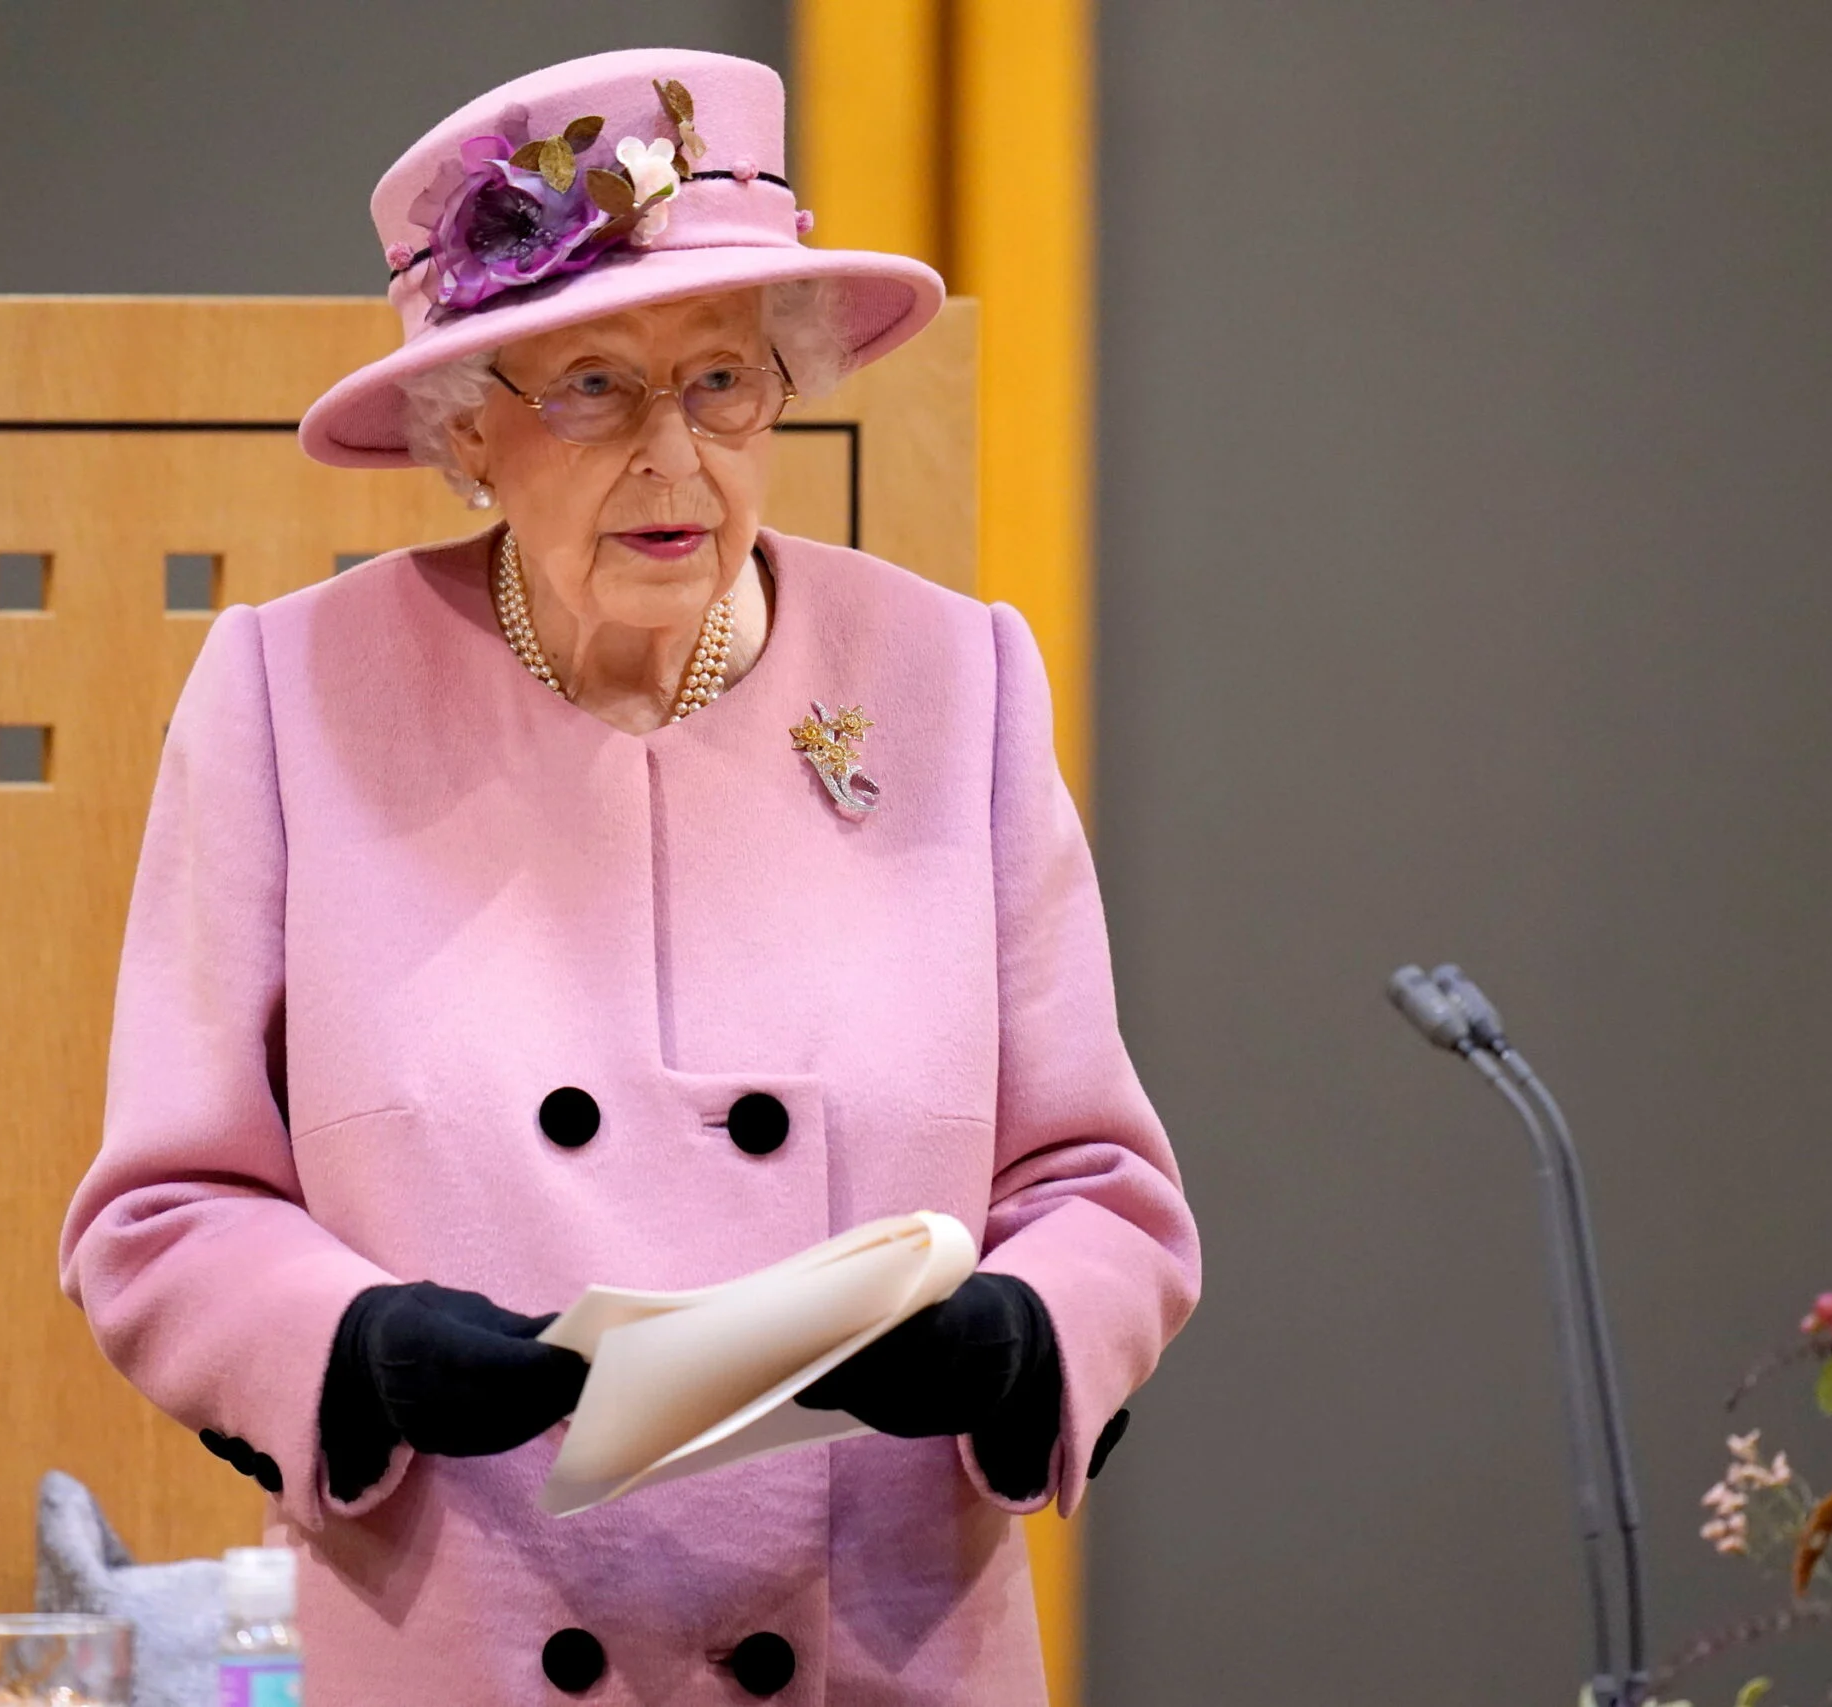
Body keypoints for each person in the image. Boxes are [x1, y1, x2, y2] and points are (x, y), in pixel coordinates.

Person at [60, 47, 1199, 1706]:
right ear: (467, 431)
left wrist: (1029, 1332)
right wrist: (350, 1352)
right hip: (480, 1638)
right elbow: (163, 1213)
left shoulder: (961, 683)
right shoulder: (291, 699)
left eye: (723, 381)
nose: (675, 458)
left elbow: (1104, 1187)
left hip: (877, 1650)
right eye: (591, 385)